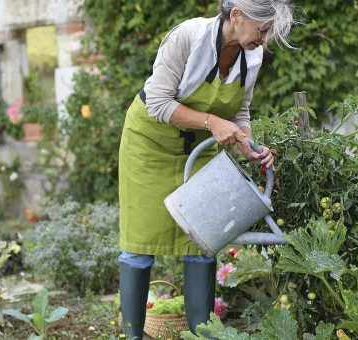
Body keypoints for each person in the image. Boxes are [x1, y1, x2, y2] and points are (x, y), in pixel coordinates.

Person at [118, 0, 295, 338]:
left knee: (203, 241)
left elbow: (240, 113)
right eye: (263, 29)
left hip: (198, 150)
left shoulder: (252, 56)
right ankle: (132, 335)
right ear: (237, 16)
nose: (265, 38)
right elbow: (157, 102)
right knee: (139, 244)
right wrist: (213, 121)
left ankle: (203, 334)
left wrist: (251, 147)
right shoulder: (188, 37)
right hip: (149, 146)